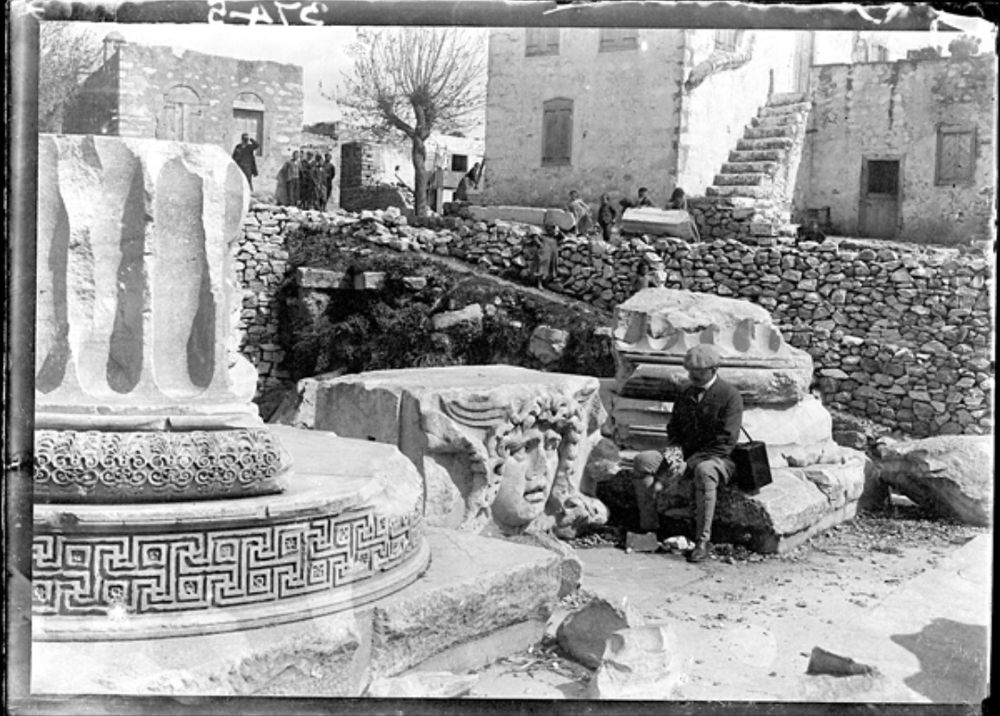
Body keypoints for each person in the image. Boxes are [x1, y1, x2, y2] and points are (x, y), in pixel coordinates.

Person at [632, 345, 743, 563]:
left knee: (704, 472)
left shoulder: (730, 396)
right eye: (690, 371)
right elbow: (674, 431)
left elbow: (725, 443)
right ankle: (649, 528)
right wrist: (674, 458)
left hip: (717, 459)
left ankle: (703, 540)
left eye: (699, 372)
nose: (693, 376)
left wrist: (688, 464)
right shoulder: (686, 392)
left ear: (714, 369)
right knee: (643, 461)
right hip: (683, 456)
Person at [535, 222, 563, 288]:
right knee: (542, 268)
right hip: (545, 256)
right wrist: (540, 244)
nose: (553, 231)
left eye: (554, 230)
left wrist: (558, 231)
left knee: (552, 269)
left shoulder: (555, 238)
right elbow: (535, 237)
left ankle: (546, 283)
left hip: (553, 257)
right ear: (548, 230)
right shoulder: (544, 236)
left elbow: (562, 237)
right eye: (552, 230)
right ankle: (539, 283)